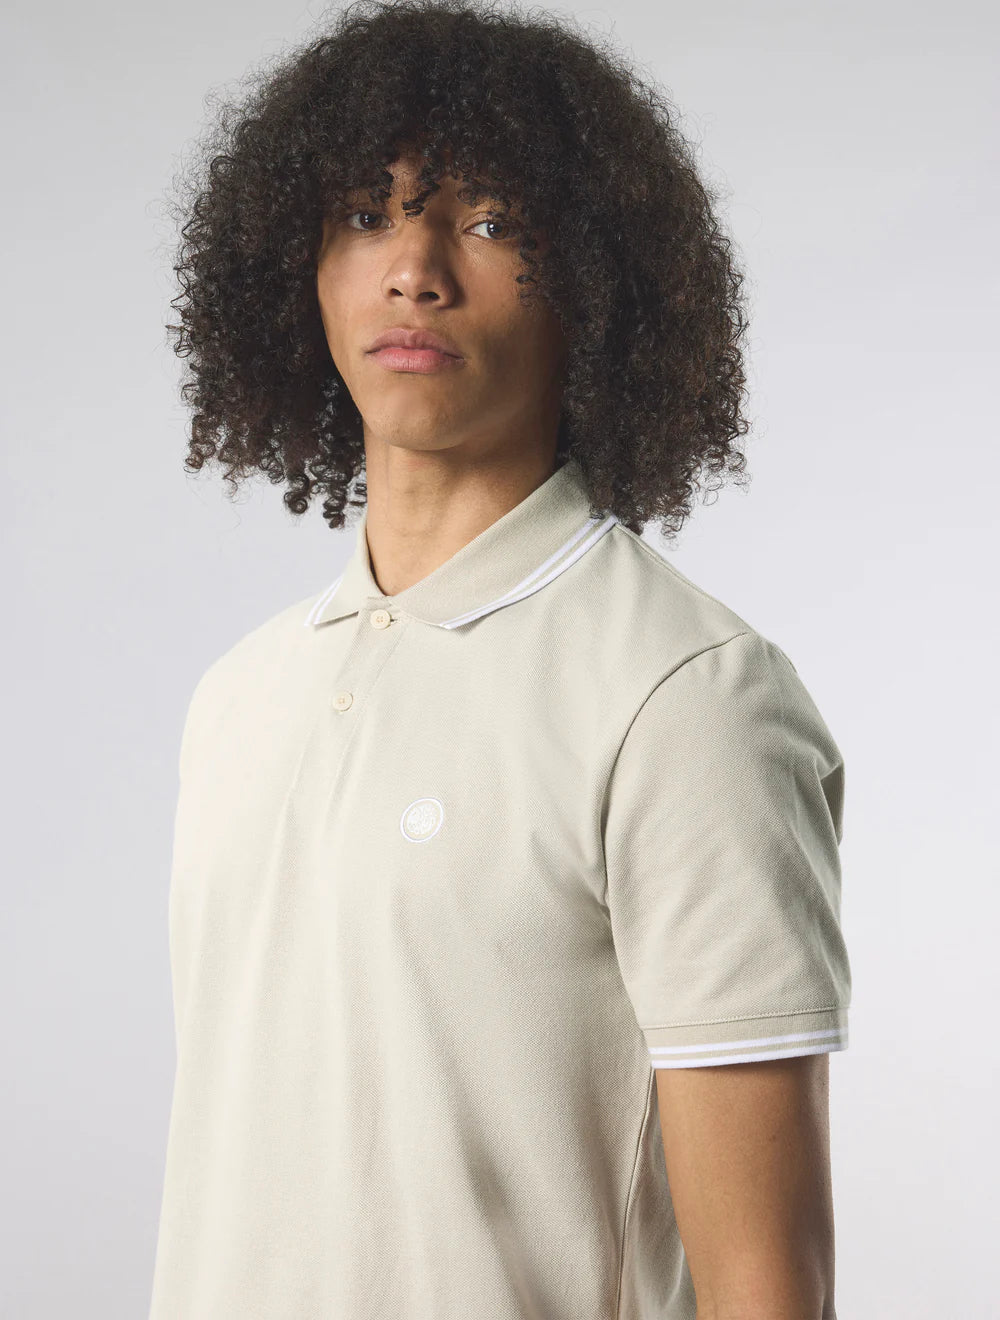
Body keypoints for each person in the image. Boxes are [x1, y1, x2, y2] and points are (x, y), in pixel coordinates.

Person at [149, 2, 851, 1317]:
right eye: (367, 213)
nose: (414, 269)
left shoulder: (686, 697)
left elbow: (766, 1285)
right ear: (300, 267)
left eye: (488, 221)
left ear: (594, 279)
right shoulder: (241, 694)